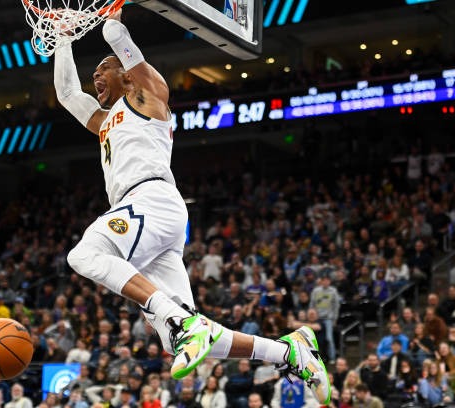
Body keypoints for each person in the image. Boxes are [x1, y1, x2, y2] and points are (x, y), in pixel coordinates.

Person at [52, 8, 330, 404]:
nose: (95, 76)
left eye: (103, 69)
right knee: (176, 339)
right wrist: (62, 39)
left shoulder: (148, 98)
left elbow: (120, 40)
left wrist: (112, 22)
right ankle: (289, 351)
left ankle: (182, 321)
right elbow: (67, 94)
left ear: (127, 75)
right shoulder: (105, 121)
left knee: (85, 254)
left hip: (151, 199)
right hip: (148, 216)